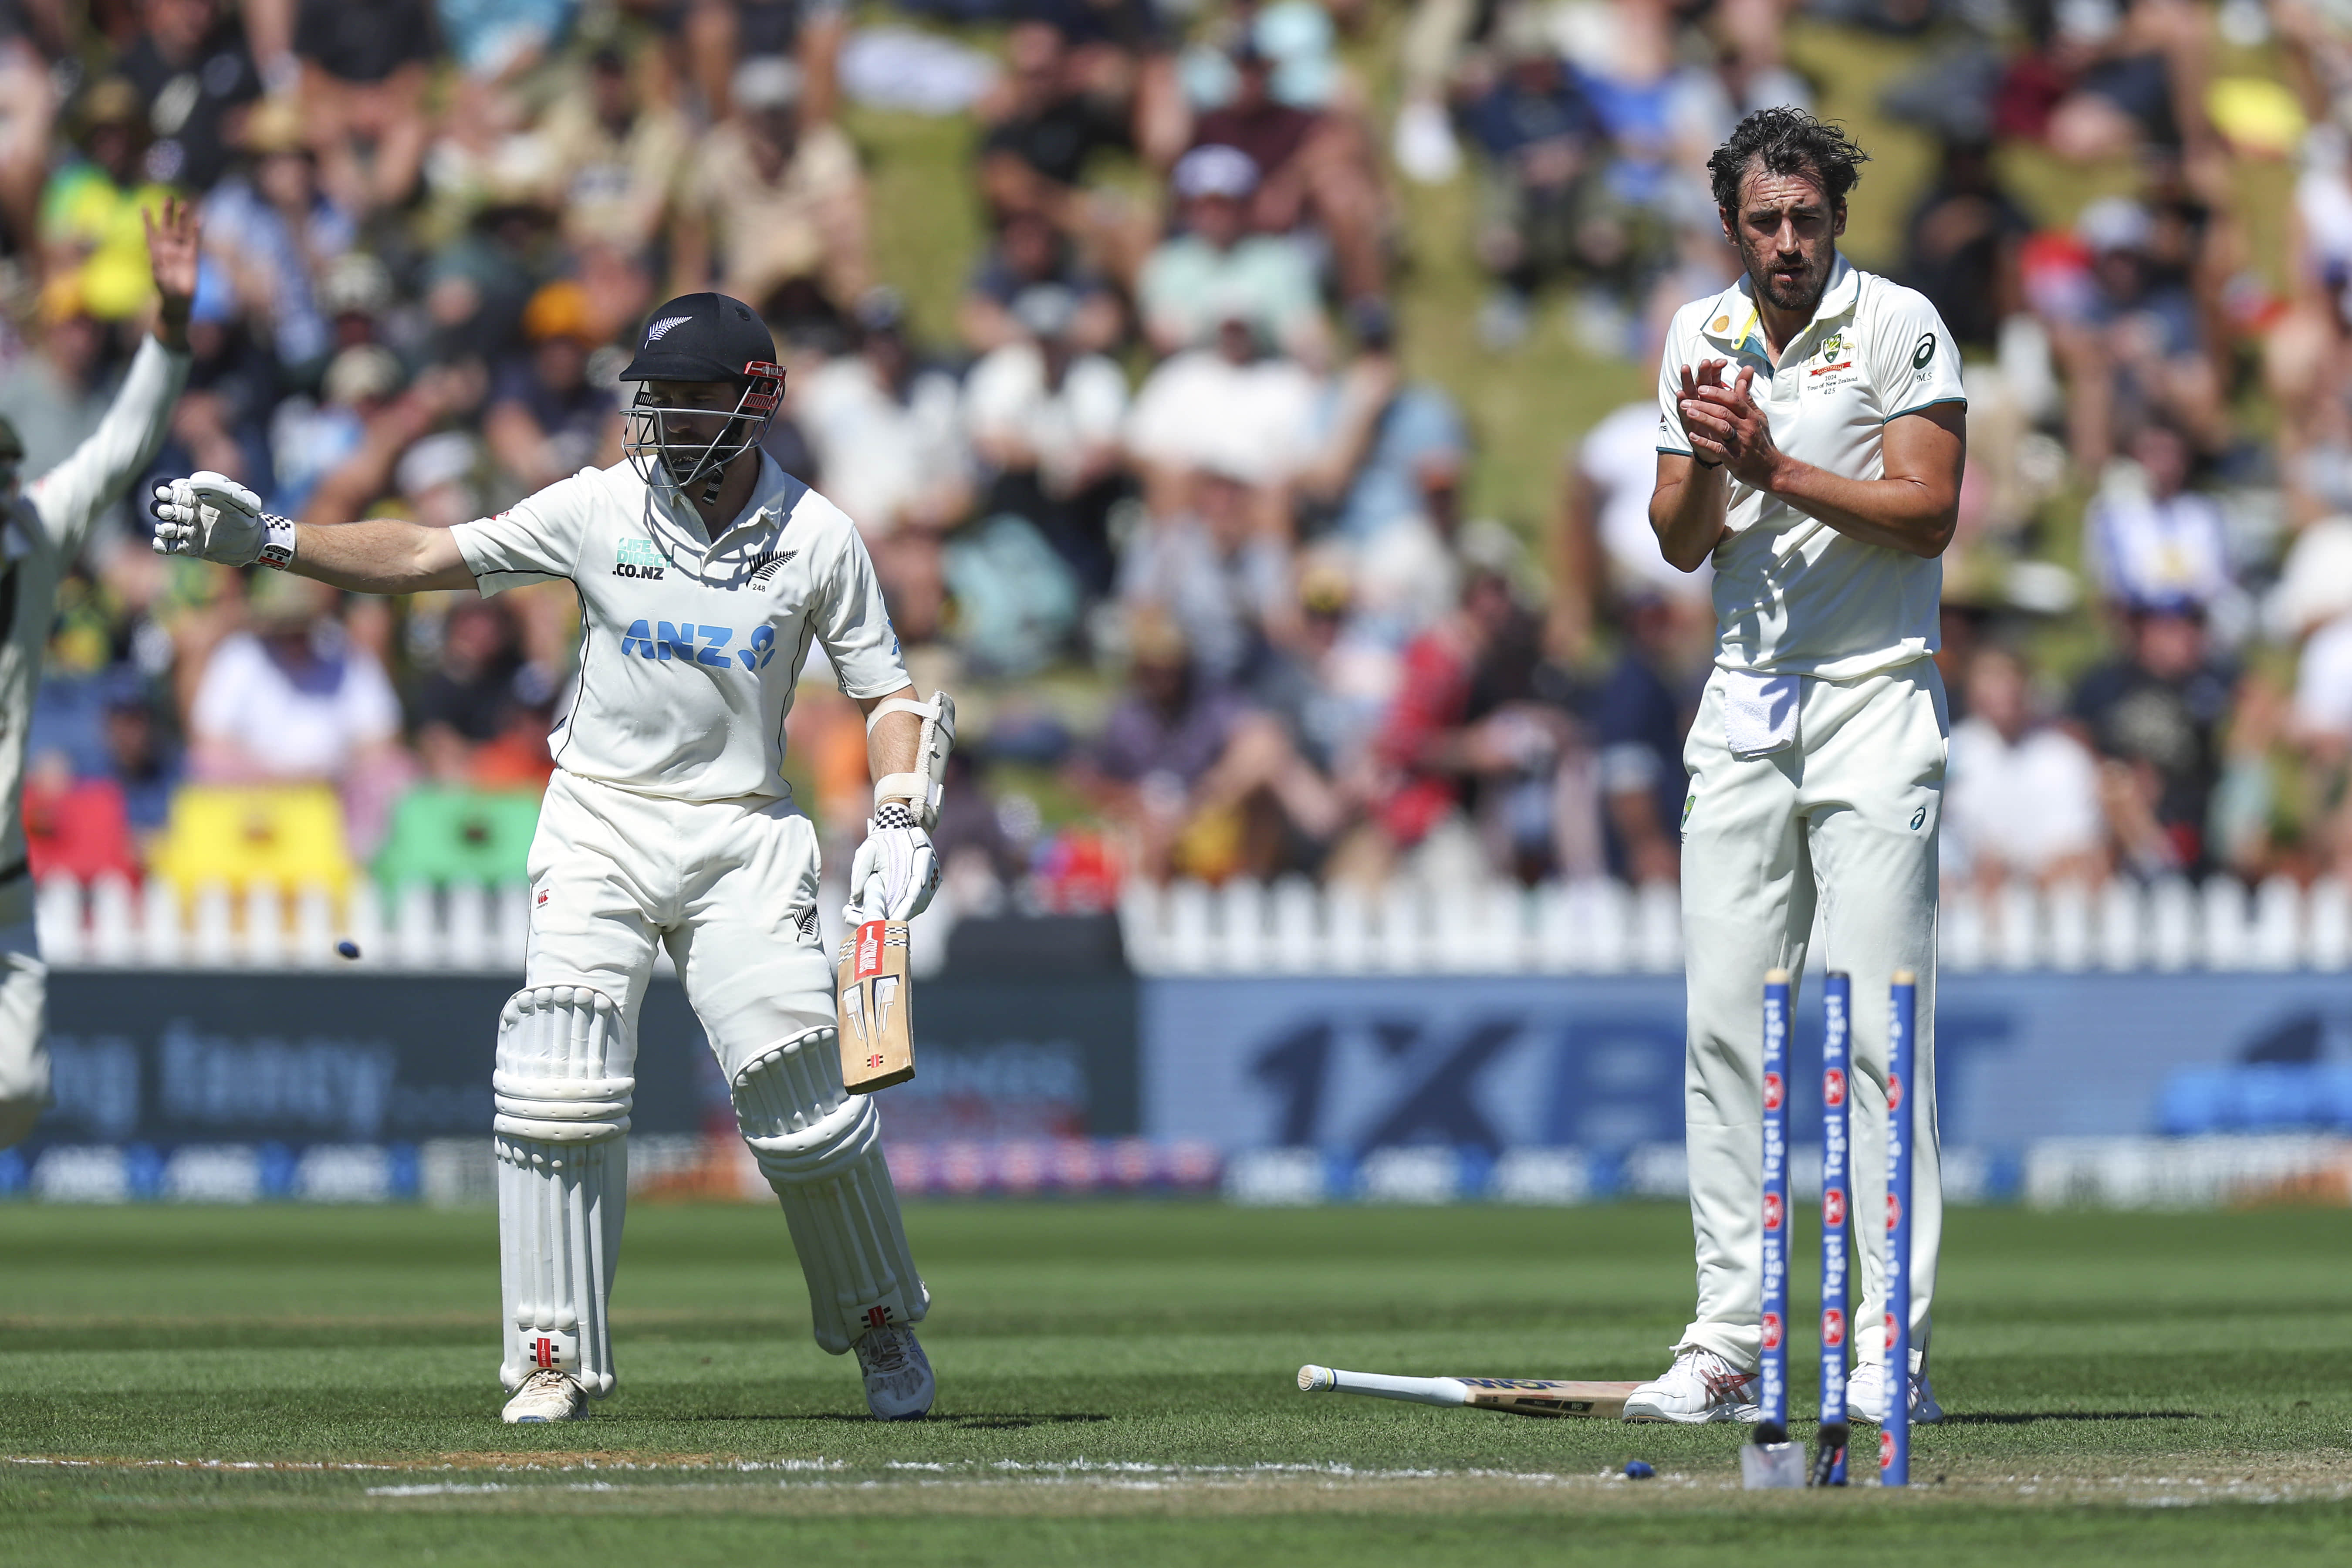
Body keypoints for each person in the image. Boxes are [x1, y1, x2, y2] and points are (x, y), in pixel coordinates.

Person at [151, 292, 950, 1425]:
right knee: (557, 1081)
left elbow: (885, 695)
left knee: (802, 1103)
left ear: (754, 401)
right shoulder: (598, 507)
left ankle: (880, 1329)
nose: (664, 420)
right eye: (655, 399)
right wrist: (274, 540)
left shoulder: (818, 537)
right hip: (600, 818)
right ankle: (550, 1357)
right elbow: (430, 552)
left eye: (689, 399)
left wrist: (903, 811)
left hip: (741, 832)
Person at [1629, 109, 1966, 1428]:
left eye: (1807, 220)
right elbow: (1676, 544)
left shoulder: (1900, 326)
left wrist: (1781, 464)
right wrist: (1715, 466)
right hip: (1743, 708)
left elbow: (1930, 510)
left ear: (1837, 218)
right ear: (1732, 226)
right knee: (1726, 1028)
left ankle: (1888, 1351)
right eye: (1764, 223)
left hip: (1877, 698)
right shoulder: (1695, 337)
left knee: (1878, 1035)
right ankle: (1729, 1342)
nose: (1786, 243)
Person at [0, 198, 197, 1151]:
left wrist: (170, 324)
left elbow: (122, 444)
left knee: (17, 1091)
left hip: (3, 872)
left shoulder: (32, 533)